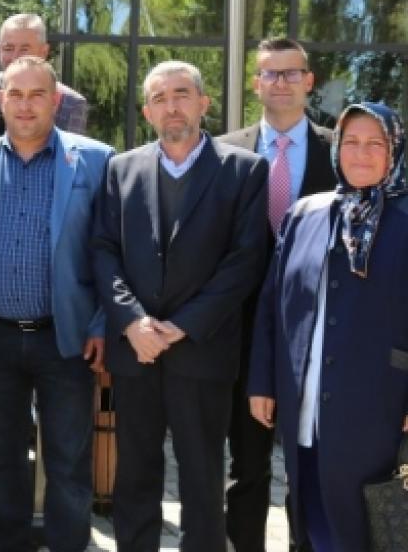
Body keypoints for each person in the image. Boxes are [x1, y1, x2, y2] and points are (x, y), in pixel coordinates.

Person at [92, 61, 269, 552]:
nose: (171, 106)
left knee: (203, 479)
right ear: (147, 111)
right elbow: (103, 251)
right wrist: (132, 322)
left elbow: (246, 260)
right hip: (137, 351)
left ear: (203, 103)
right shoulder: (121, 168)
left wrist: (183, 326)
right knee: (134, 476)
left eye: (181, 94)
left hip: (202, 351)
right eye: (160, 98)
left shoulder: (245, 170)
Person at [0, 56, 114, 552]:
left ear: (56, 101)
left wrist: (102, 323)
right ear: (1, 101)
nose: (25, 105)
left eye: (37, 94)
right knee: (0, 459)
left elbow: (113, 250)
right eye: (15, 95)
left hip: (65, 337)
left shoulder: (96, 161)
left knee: (68, 461)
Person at [248, 102, 408, 552]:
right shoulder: (305, 215)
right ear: (337, 148)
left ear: (394, 150)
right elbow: (272, 306)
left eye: (375, 143)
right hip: (305, 400)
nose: (362, 153)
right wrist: (262, 382)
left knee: (364, 526)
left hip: (379, 408)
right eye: (351, 141)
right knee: (310, 516)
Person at [219, 37, 336, 552]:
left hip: (318, 333)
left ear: (309, 81)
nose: (281, 83)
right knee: (247, 467)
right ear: (255, 83)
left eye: (291, 73)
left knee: (310, 467)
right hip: (242, 334)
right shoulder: (225, 151)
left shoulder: (341, 149)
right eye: (271, 73)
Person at [0, 14, 90, 134]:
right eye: (8, 49)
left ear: (44, 52)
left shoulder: (71, 104)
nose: (15, 57)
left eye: (24, 49)